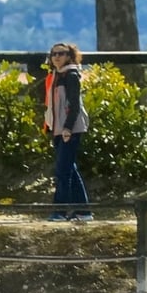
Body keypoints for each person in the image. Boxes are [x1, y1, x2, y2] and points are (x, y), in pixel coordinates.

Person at [43, 42, 92, 222]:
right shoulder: (56, 76)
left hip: (69, 130)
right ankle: (83, 211)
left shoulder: (71, 75)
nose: (56, 57)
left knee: (63, 171)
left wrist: (68, 128)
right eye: (54, 53)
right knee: (70, 169)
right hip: (58, 130)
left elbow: (74, 105)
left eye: (61, 53)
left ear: (69, 56)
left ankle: (60, 211)